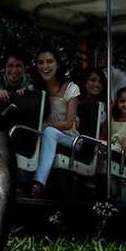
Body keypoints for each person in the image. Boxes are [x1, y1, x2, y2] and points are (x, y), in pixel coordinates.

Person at [30, 47, 81, 198]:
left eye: (49, 62)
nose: (45, 66)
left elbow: (68, 123)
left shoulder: (71, 88)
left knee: (49, 132)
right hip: (44, 134)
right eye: (41, 62)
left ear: (57, 64)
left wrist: (47, 125)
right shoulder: (36, 89)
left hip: (72, 138)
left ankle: (39, 182)